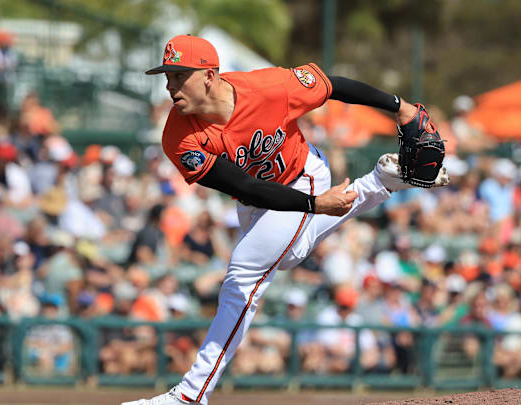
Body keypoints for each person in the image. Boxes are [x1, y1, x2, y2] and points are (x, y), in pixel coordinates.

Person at [123, 35, 448, 405]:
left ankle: (190, 395)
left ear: (210, 76)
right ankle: (379, 183)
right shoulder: (177, 136)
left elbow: (333, 85)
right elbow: (247, 186)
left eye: (180, 75)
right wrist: (315, 206)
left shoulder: (268, 87)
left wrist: (401, 107)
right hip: (259, 199)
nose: (170, 86)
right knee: (292, 254)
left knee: (242, 277)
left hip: (302, 173)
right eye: (167, 76)